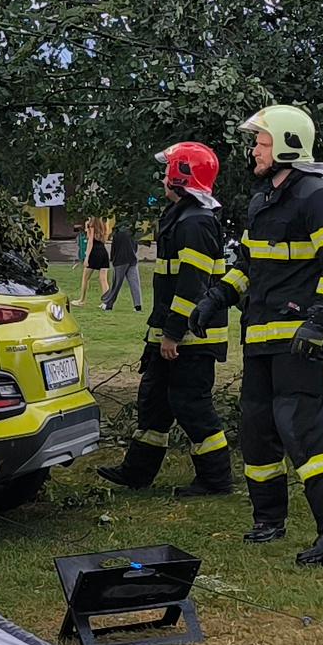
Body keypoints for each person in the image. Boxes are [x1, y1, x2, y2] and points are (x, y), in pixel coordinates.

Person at [227, 104, 323, 564]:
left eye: (262, 143)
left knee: (299, 427)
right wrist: (216, 298)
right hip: (261, 337)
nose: (255, 151)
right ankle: (269, 519)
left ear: (287, 144)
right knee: (257, 428)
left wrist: (320, 317)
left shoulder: (318, 196)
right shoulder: (263, 198)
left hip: (300, 337)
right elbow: (249, 264)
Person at [97, 144, 235, 497]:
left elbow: (193, 285)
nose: (162, 178)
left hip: (191, 338)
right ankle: (137, 473)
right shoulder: (182, 217)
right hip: (169, 336)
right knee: (154, 402)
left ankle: (216, 480)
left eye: (167, 171)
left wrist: (173, 333)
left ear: (180, 176)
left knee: (191, 405)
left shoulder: (196, 222)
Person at [103, 210, 144, 310]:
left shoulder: (117, 233)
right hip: (132, 259)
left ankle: (109, 304)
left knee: (117, 283)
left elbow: (114, 248)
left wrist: (112, 259)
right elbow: (135, 246)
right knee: (134, 283)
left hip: (120, 260)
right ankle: (137, 305)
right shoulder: (132, 232)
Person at [76, 216, 109, 302]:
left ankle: (82, 300)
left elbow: (90, 241)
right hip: (103, 251)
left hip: (94, 252)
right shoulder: (103, 224)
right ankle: (107, 302)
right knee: (103, 279)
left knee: (85, 278)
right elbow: (105, 239)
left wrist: (87, 257)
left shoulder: (92, 224)